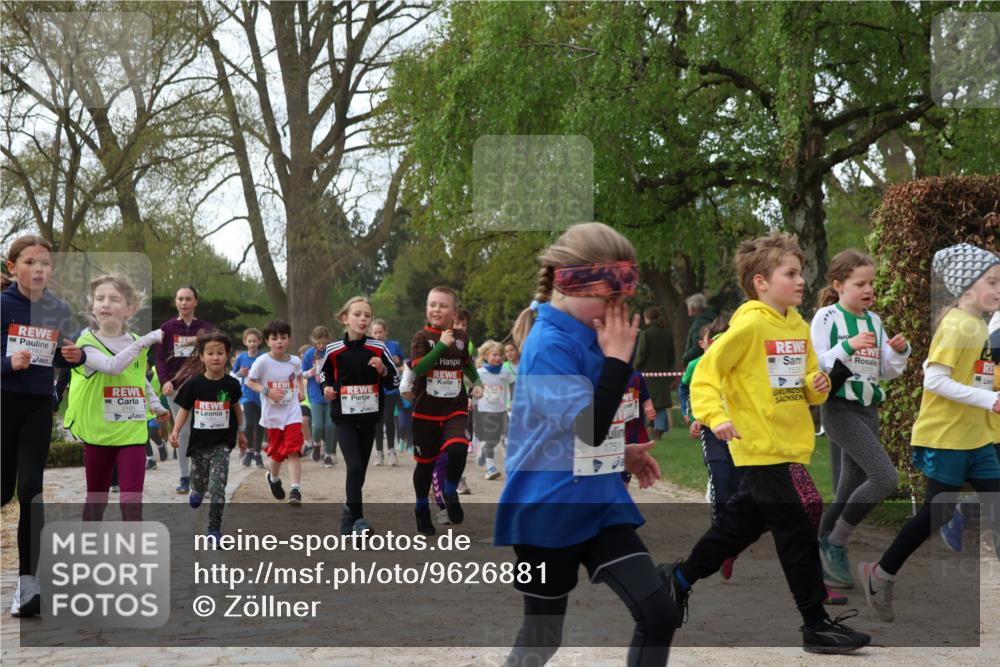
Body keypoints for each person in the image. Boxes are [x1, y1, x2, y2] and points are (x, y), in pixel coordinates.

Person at [659, 231, 871, 654]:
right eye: (790, 274)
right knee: (800, 517)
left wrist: (819, 381)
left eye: (800, 273)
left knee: (740, 527)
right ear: (760, 281)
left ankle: (677, 579)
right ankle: (816, 623)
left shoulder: (798, 324)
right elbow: (705, 374)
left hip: (790, 444)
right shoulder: (750, 324)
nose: (800, 281)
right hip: (758, 444)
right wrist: (715, 417)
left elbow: (813, 389)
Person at [494, 222, 673, 667]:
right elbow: (587, 425)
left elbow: (588, 428)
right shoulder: (546, 345)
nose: (616, 310)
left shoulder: (594, 335)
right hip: (546, 509)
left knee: (659, 612)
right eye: (607, 297)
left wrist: (622, 454)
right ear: (567, 282)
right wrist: (616, 359)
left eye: (623, 299)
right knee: (541, 639)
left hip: (599, 500)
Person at [859, 244, 1000, 622]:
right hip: (948, 439)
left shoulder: (978, 324)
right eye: (992, 281)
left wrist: (990, 395)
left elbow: (966, 372)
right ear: (966, 288)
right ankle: (881, 574)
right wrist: (989, 400)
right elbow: (935, 379)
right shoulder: (957, 324)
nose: (999, 288)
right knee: (934, 517)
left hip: (978, 437)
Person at [810, 249, 910, 589]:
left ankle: (818, 547)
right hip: (839, 408)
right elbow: (817, 363)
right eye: (860, 283)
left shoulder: (875, 321)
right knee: (885, 478)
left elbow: (884, 371)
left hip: (869, 410)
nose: (869, 290)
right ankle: (836, 541)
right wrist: (848, 346)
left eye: (872, 283)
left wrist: (898, 352)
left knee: (848, 487)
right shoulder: (826, 317)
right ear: (839, 285)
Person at [2, 235, 85, 617]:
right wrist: (7, 364)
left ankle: (28, 586)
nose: (39, 269)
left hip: (37, 405)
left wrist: (74, 356)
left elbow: (61, 356)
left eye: (46, 263)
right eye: (31, 262)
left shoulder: (58, 308)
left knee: (32, 490)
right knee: (4, 491)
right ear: (12, 267)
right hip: (3, 402)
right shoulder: (2, 305)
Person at [63, 274, 169, 523]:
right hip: (99, 433)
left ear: (129, 309)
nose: (105, 304)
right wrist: (146, 341)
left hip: (131, 432)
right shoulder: (86, 342)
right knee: (96, 500)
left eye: (113, 299)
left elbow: (136, 378)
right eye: (99, 298)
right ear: (92, 307)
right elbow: (112, 366)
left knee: (132, 500)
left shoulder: (133, 342)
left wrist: (155, 405)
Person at [405, 286, 482, 534]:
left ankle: (449, 491)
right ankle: (421, 508)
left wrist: (478, 383)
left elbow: (467, 366)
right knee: (425, 465)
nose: (436, 309)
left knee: (459, 447)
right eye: (432, 304)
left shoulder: (462, 339)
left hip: (454, 407)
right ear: (426, 309)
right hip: (426, 412)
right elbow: (419, 368)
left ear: (454, 312)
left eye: (443, 305)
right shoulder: (421, 337)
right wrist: (440, 345)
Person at [321, 297, 399, 534]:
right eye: (357, 314)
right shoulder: (334, 350)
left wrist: (382, 369)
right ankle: (359, 520)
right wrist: (327, 389)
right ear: (345, 318)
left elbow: (394, 380)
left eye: (367, 315)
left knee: (360, 471)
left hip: (369, 418)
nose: (363, 319)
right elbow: (323, 376)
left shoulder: (378, 348)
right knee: (354, 467)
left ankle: (348, 514)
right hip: (343, 418)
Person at [169, 330, 247, 545]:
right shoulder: (194, 384)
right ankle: (196, 489)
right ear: (202, 357)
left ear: (228, 356)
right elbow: (184, 410)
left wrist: (241, 432)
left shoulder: (232, 384)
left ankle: (214, 529)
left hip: (222, 443)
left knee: (217, 486)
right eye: (210, 353)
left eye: (220, 353)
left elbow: (237, 409)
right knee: (200, 481)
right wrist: (175, 431)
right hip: (199, 444)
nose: (215, 357)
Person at [154, 285, 215, 494]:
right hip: (176, 389)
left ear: (196, 301)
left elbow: (215, 355)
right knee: (183, 432)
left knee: (202, 432)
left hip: (202, 388)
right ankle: (184, 477)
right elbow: (160, 358)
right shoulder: (168, 328)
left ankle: (201, 477)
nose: (184, 303)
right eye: (180, 299)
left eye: (188, 299)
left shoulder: (206, 328)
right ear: (176, 302)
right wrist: (164, 381)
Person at [246, 320, 305, 507]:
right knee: (278, 454)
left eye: (283, 338)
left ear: (289, 339)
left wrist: (300, 390)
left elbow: (299, 375)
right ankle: (273, 477)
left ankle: (295, 489)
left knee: (294, 450)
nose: (279, 342)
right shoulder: (262, 362)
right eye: (274, 338)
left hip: (292, 412)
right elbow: (250, 382)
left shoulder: (295, 361)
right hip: (272, 415)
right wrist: (267, 391)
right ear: (267, 341)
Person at [474, 340, 515, 480]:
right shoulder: (480, 372)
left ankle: (485, 451)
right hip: (485, 411)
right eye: (494, 355)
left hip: (502, 410)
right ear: (485, 356)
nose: (498, 358)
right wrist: (471, 398)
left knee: (499, 437)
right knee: (491, 437)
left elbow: (513, 384)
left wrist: (514, 400)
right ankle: (490, 468)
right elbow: (472, 386)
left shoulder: (505, 372)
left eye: (500, 355)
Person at [634, 306, 675, 438]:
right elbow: (672, 357)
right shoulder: (667, 333)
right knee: (660, 404)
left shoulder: (646, 334)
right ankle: (659, 429)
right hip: (662, 374)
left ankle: (649, 426)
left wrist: (635, 368)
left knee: (646, 401)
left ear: (647, 318)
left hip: (646, 375)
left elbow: (641, 355)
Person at [301, 326, 338, 467]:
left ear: (328, 340)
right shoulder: (309, 354)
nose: (321, 345)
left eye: (324, 342)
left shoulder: (332, 353)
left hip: (330, 394)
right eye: (319, 342)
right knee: (317, 426)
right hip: (315, 395)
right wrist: (309, 373)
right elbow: (301, 373)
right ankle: (316, 444)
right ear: (314, 340)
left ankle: (328, 455)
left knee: (330, 426)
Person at [371, 318, 403, 466]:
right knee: (378, 421)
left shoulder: (394, 345)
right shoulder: (370, 347)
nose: (378, 335)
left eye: (380, 332)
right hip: (375, 390)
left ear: (386, 332)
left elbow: (401, 363)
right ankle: (379, 453)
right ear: (371, 333)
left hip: (390, 389)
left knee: (389, 419)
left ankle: (391, 450)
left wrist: (397, 361)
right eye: (375, 332)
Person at [232, 328, 265, 468]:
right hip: (247, 395)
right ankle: (249, 451)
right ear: (245, 342)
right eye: (249, 341)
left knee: (260, 424)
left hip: (262, 395)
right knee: (249, 424)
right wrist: (241, 372)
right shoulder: (241, 357)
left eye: (254, 341)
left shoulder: (264, 357)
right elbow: (234, 375)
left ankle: (257, 453)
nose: (252, 343)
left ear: (259, 342)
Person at [681, 293, 717, 365]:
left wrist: (685, 358)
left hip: (698, 364)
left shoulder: (698, 323)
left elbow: (697, 346)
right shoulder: (712, 318)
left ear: (692, 308)